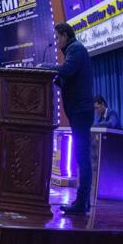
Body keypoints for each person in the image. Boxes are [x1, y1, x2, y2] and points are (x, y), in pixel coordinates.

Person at [50, 22, 95, 214]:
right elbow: (67, 79)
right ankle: (82, 202)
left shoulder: (75, 49)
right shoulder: (72, 51)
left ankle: (82, 203)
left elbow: (67, 71)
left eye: (58, 37)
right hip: (79, 111)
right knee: (81, 156)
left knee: (82, 157)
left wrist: (49, 68)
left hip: (81, 111)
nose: (56, 41)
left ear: (65, 35)